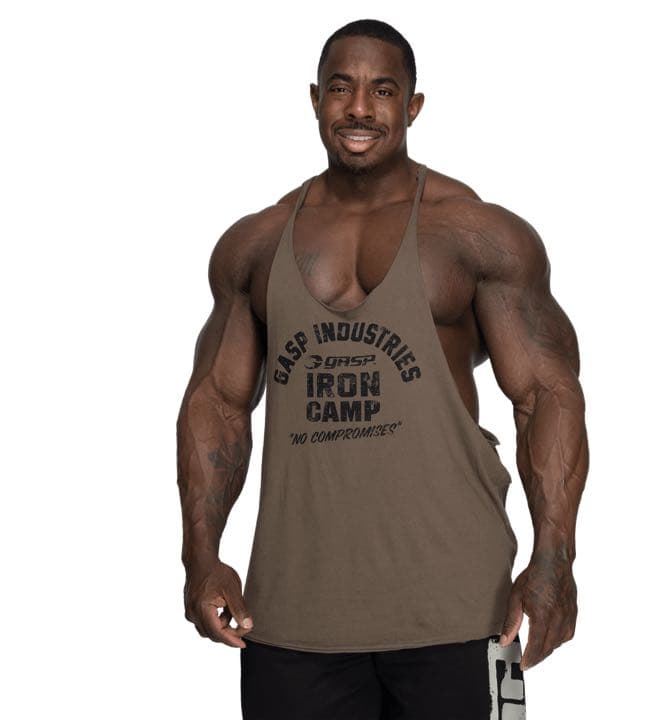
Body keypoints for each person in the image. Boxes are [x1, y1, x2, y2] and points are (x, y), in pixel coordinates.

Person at [176, 18, 588, 720]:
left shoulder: (477, 234)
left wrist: (554, 562)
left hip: (460, 608)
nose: (360, 108)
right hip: (292, 615)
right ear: (315, 100)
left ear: (413, 106)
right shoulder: (255, 244)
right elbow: (216, 401)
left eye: (383, 91)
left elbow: (548, 394)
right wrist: (200, 557)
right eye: (341, 89)